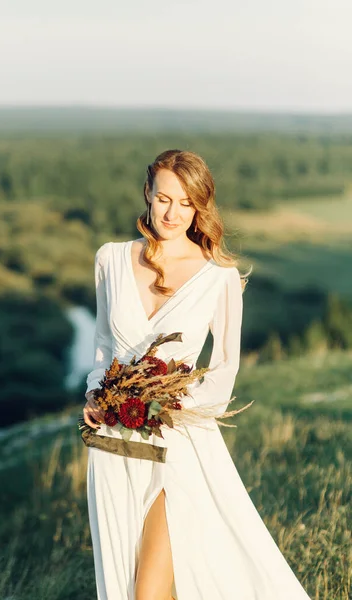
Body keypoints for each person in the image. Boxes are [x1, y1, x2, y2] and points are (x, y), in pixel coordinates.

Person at [83, 149, 311, 600]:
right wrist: (95, 394)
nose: (172, 213)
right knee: (128, 587)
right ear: (148, 193)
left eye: (186, 203)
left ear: (200, 206)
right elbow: (103, 349)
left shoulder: (218, 277)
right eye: (165, 198)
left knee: (149, 592)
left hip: (179, 447)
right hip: (113, 447)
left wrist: (172, 408)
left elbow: (225, 369)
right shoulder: (110, 259)